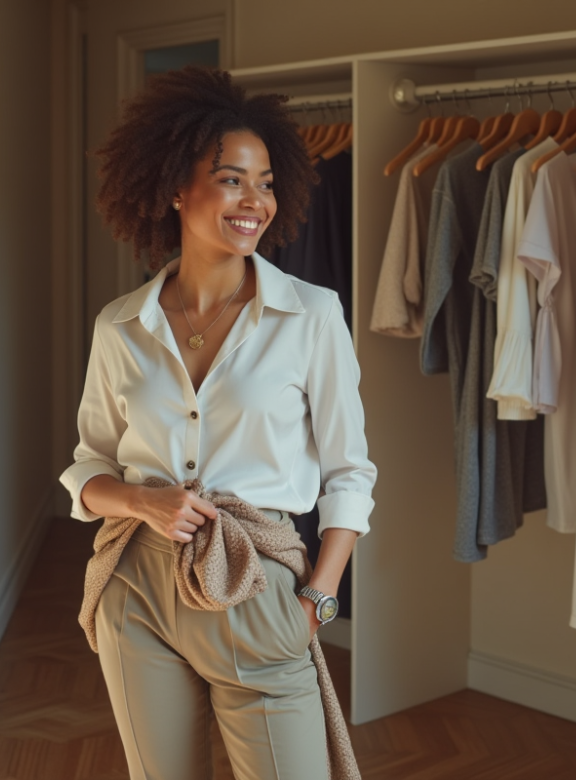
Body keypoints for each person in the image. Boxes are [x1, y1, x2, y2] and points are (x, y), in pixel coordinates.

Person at [60, 66, 377, 780]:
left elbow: (349, 472)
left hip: (257, 585)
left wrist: (317, 602)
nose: (254, 201)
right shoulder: (120, 327)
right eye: (231, 178)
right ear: (176, 185)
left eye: (265, 182)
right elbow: (87, 467)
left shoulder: (312, 315)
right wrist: (142, 500)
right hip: (136, 586)